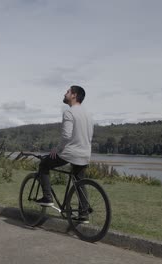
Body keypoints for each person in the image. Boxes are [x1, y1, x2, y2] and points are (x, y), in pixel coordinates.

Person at [36, 85, 94, 221]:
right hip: (85, 153)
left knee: (44, 165)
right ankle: (83, 213)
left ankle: (47, 197)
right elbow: (90, 135)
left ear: (74, 95)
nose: (65, 93)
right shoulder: (88, 114)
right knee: (79, 181)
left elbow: (67, 135)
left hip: (70, 152)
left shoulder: (69, 112)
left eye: (67, 92)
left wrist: (57, 149)